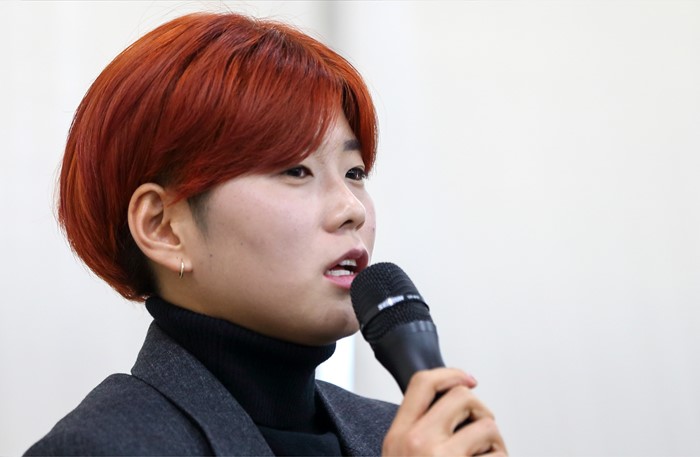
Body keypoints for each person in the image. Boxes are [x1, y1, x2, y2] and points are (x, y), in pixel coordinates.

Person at [25, 11, 507, 456]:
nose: (351, 209)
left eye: (355, 172)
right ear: (164, 227)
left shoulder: (392, 435)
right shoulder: (98, 447)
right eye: (296, 170)